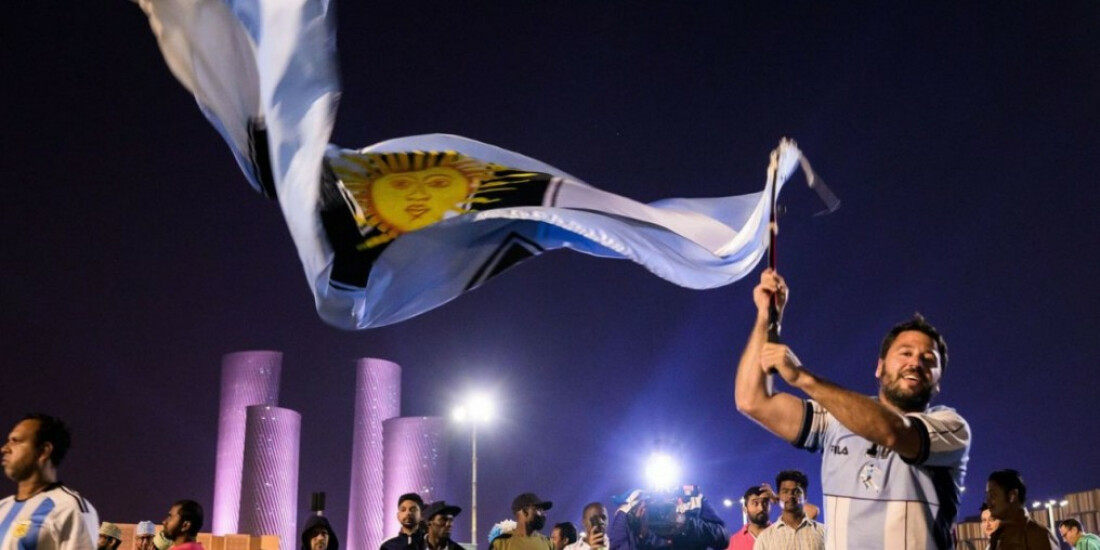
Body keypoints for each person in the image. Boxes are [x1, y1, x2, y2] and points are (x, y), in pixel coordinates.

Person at [734, 269, 970, 550]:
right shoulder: (835, 418)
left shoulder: (951, 427)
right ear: (879, 366)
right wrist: (766, 316)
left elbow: (893, 432)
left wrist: (802, 378)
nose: (915, 362)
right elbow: (751, 400)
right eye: (905, 353)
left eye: (929, 359)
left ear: (938, 381)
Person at [0, 414, 99, 550]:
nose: (5, 448)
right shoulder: (3, 507)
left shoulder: (70, 509)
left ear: (44, 451)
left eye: (15, 441)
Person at [609, 486, 728, 550]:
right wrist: (640, 537)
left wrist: (687, 525)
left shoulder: (693, 499)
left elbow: (723, 538)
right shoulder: (633, 505)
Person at [984, 470, 1057, 550]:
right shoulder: (997, 536)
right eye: (987, 495)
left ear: (1012, 495)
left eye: (993, 495)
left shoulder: (1035, 534)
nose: (987, 500)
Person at [752, 471, 823, 550]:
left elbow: (813, 510)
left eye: (796, 492)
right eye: (785, 492)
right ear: (778, 495)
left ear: (805, 496)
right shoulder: (765, 538)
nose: (791, 496)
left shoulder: (823, 532)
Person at [726, 485, 773, 550]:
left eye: (765, 503)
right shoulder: (733, 543)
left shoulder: (782, 535)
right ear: (745, 509)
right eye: (755, 503)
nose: (761, 508)